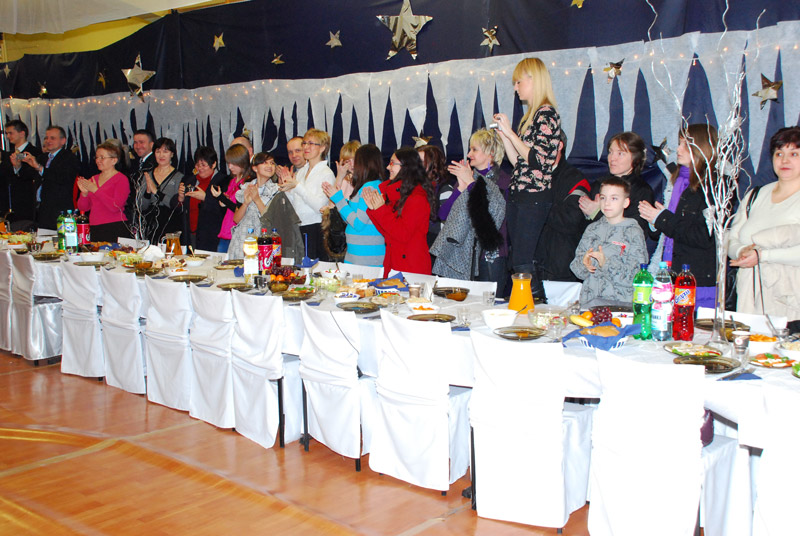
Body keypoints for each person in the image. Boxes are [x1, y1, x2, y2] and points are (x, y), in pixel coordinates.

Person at [492, 57, 562, 300]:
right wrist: (506, 137)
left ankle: (536, 306)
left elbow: (538, 160)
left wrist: (512, 134)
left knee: (522, 260)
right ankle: (530, 305)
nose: (516, 87)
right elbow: (518, 162)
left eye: (519, 82)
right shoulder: (531, 116)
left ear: (533, 79)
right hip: (520, 194)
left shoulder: (547, 114)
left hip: (534, 197)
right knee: (519, 260)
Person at [639, 124, 719, 309]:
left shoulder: (714, 186)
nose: (678, 149)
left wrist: (662, 218)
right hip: (669, 271)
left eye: (685, 144)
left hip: (695, 277)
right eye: (679, 143)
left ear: (702, 147)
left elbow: (704, 236)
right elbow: (667, 232)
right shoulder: (677, 181)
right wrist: (655, 221)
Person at [728, 126, 800, 320]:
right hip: (749, 296)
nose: (784, 160)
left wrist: (763, 256)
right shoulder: (756, 195)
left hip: (790, 298)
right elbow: (732, 238)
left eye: (794, 154)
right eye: (779, 153)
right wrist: (741, 251)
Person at [430, 131, 506, 282]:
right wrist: (460, 188)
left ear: (491, 152)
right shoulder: (469, 177)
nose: (469, 154)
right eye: (470, 149)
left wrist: (471, 184)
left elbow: (488, 218)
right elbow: (443, 215)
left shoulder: (503, 181)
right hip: (466, 256)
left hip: (490, 256)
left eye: (474, 149)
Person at [570, 177, 648, 308]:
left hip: (620, 305)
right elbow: (576, 269)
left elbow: (636, 277)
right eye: (603, 198)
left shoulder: (633, 232)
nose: (607, 203)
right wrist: (584, 265)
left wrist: (606, 263)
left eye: (614, 198)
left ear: (626, 202)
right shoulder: (592, 229)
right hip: (590, 303)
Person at [363, 147, 433, 277]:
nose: (388, 167)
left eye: (392, 163)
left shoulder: (417, 198)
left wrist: (380, 210)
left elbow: (402, 234)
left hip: (411, 268)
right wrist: (374, 210)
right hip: (394, 262)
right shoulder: (396, 194)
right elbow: (387, 232)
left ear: (406, 166)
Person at [579, 132, 657, 242]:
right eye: (610, 152)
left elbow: (633, 235)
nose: (612, 158)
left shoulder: (641, 191)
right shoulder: (599, 184)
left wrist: (596, 213)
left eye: (620, 153)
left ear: (636, 159)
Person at [535, 133, 591, 282]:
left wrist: (538, 206)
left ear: (559, 145)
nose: (538, 149)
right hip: (532, 262)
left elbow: (571, 221)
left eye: (543, 143)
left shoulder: (576, 179)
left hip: (560, 266)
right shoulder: (531, 176)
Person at [323, 143, 386, 267]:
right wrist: (338, 199)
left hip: (367, 257)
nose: (352, 165)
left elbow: (358, 224)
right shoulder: (364, 186)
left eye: (355, 161)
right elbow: (348, 219)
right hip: (356, 254)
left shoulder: (370, 187)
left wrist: (339, 200)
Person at [278, 128, 335, 261]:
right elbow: (296, 204)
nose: (306, 147)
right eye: (304, 143)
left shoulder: (326, 173)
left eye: (311, 144)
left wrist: (297, 186)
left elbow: (319, 206)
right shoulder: (302, 172)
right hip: (299, 227)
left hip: (316, 228)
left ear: (322, 148)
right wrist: (287, 190)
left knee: (314, 268)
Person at [19, 126, 80, 230]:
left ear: (63, 141)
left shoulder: (69, 158)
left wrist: (39, 167)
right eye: (46, 138)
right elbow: (27, 176)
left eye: (52, 138)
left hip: (59, 209)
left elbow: (61, 178)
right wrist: (17, 166)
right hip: (41, 209)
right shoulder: (42, 157)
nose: (48, 141)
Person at [228, 152, 280, 259]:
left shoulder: (277, 190)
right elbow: (236, 219)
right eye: (265, 163)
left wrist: (257, 199)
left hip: (263, 241)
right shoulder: (245, 188)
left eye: (272, 163)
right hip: (241, 240)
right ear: (255, 168)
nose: (269, 166)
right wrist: (246, 203)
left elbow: (271, 219)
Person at [75, 141, 130, 242]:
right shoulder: (93, 179)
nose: (98, 160)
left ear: (114, 160)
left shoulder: (121, 179)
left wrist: (95, 190)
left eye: (102, 157)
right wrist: (84, 193)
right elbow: (83, 208)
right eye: (97, 157)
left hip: (114, 226)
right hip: (94, 226)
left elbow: (115, 206)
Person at [179, 146, 229, 251]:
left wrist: (206, 198)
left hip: (212, 236)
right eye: (197, 165)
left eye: (203, 165)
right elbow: (180, 208)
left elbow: (225, 210)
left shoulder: (224, 181)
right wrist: (181, 198)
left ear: (214, 164)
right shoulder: (190, 181)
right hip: (191, 234)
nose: (199, 168)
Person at [140, 137, 184, 243]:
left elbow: (175, 205)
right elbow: (142, 206)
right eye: (158, 151)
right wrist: (147, 193)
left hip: (171, 223)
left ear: (172, 154)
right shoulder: (147, 175)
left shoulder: (179, 177)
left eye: (165, 151)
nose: (161, 155)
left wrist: (156, 192)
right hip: (150, 223)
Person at [322, 140, 360, 261]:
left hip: (357, 233)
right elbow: (332, 204)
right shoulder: (343, 180)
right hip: (341, 234)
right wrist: (340, 176)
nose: (351, 164)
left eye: (354, 160)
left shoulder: (364, 181)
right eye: (347, 161)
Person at [1, 119, 40, 224]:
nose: (8, 136)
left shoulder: (34, 152)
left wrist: (18, 167)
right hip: (8, 203)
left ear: (22, 133)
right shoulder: (8, 155)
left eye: (11, 133)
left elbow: (33, 174)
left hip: (26, 202)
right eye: (7, 133)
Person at [216, 144, 251, 253]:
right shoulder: (232, 181)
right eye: (228, 163)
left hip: (239, 232)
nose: (230, 167)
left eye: (233, 163)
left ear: (242, 162)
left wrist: (222, 198)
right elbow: (229, 205)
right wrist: (223, 201)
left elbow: (240, 209)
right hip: (226, 229)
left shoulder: (248, 182)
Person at [419, 144, 454, 248]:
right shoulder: (417, 187)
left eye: (420, 161)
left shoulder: (445, 189)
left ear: (433, 164)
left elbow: (449, 227)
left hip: (436, 249)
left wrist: (420, 224)